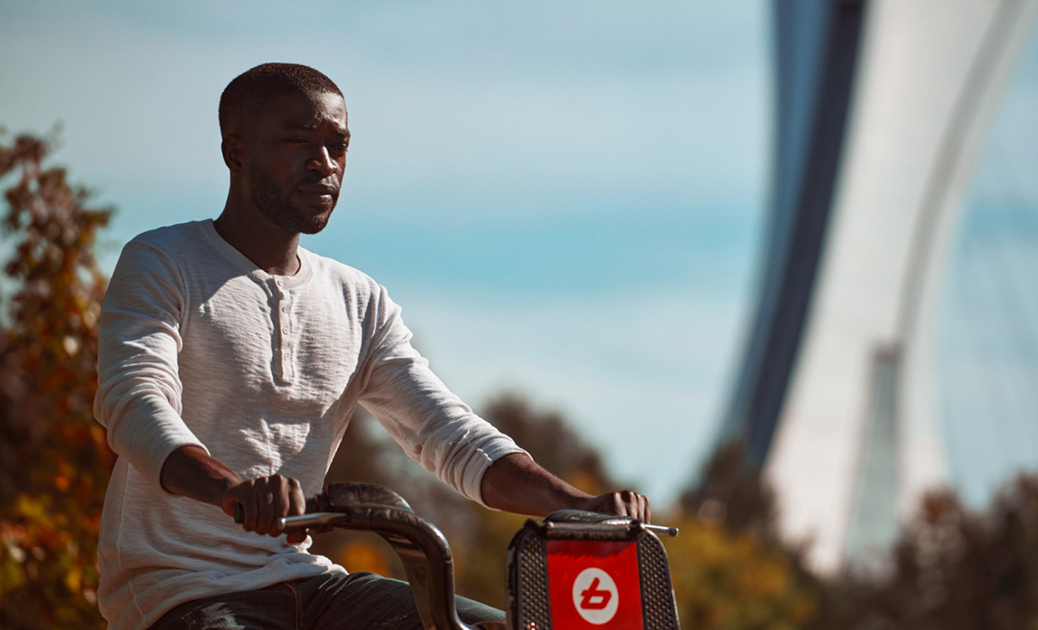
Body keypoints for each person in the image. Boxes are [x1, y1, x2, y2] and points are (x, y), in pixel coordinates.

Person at [93, 62, 651, 630]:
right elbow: (135, 402)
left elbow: (447, 433)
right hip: (181, 588)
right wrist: (231, 489)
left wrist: (575, 505)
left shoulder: (359, 300)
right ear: (235, 152)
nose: (324, 164)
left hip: (312, 582)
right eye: (297, 142)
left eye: (338, 146)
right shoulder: (163, 261)